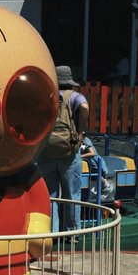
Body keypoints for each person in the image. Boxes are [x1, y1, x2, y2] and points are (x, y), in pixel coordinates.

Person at [36, 65, 89, 232]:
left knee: (50, 196)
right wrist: (80, 132)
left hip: (47, 153)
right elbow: (85, 108)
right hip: (69, 153)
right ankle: (72, 233)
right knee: (72, 195)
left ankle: (52, 232)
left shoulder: (46, 97)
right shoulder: (75, 97)